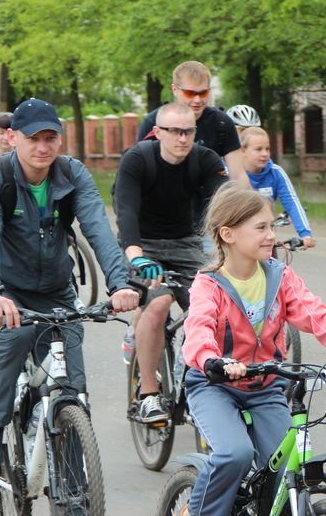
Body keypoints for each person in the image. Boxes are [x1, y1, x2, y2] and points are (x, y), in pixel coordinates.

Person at [182, 184, 326, 516]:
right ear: (228, 234)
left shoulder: (280, 277)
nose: (271, 235)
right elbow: (199, 328)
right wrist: (212, 360)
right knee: (235, 454)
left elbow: (317, 315)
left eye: (272, 227)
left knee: (288, 468)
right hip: (215, 385)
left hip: (265, 388)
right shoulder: (209, 285)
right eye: (260, 227)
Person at [0, 98, 140, 467]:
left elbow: (98, 229)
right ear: (13, 138)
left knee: (72, 391)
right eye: (34, 138)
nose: (43, 147)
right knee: (13, 335)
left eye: (51, 138)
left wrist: (120, 284)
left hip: (56, 290)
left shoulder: (72, 173)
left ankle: (77, 492)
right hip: (1, 289)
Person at [115, 102, 228, 423]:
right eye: (175, 132)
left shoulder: (205, 160)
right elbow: (126, 212)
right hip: (143, 245)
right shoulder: (137, 159)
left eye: (189, 131)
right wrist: (136, 256)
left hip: (186, 245)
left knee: (212, 305)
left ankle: (198, 378)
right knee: (159, 301)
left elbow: (224, 208)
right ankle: (149, 393)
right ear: (157, 132)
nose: (182, 138)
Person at [136, 61, 249, 188]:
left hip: (209, 202)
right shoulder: (153, 122)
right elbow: (139, 173)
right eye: (190, 93)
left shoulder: (222, 123)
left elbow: (238, 175)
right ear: (175, 90)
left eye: (203, 93)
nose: (197, 100)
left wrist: (248, 205)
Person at [239, 126, 315, 249]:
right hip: (239, 237)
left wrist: (305, 234)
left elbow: (292, 202)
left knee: (273, 266)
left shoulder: (276, 172)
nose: (264, 154)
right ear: (243, 150)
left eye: (267, 149)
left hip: (265, 234)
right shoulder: (231, 173)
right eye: (258, 149)